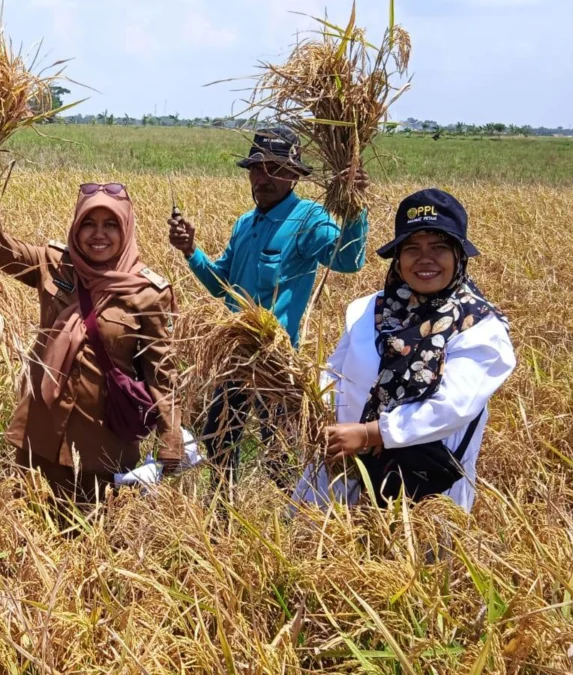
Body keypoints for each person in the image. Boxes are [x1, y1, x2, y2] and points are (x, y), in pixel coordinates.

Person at [0, 154, 185, 503]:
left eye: (111, 224)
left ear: (126, 228)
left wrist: (171, 436)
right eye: (88, 223)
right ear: (76, 226)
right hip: (40, 434)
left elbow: (161, 373)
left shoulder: (149, 293)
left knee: (95, 542)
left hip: (103, 447)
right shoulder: (54, 264)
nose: (98, 234)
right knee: (30, 532)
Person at [294, 189, 515, 512]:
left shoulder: (479, 327)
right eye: (412, 248)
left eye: (439, 247)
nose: (425, 258)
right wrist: (304, 403)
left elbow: (452, 408)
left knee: (417, 561)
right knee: (327, 554)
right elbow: (334, 374)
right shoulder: (368, 310)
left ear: (458, 255)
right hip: (345, 470)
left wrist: (370, 433)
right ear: (398, 257)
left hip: (425, 483)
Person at [168, 126, 370, 477]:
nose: (264, 177)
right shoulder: (246, 223)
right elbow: (222, 286)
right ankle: (221, 517)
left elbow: (348, 261)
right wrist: (190, 251)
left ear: (294, 174)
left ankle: (293, 518)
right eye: (258, 168)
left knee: (279, 452)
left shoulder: (308, 219)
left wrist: (355, 209)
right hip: (233, 356)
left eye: (275, 168)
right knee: (219, 441)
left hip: (275, 361)